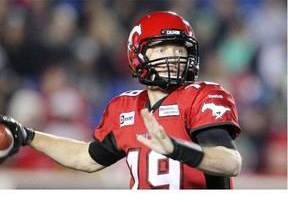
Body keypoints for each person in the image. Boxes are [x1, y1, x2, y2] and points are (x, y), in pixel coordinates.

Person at [0, 11, 242, 189]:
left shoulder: (202, 96)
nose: (175, 57)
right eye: (162, 50)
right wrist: (28, 136)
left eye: (180, 50)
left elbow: (231, 162)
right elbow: (86, 157)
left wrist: (177, 149)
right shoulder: (125, 107)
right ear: (137, 56)